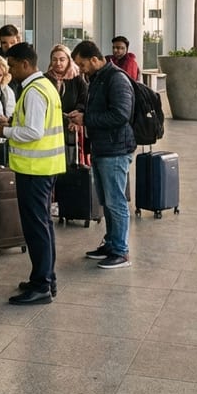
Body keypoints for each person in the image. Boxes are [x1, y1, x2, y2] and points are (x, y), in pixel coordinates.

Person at [0, 43, 65, 305]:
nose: (10, 71)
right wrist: (12, 124)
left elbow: (34, 132)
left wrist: (6, 132)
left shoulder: (34, 91)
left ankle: (42, 284)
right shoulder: (45, 86)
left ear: (25, 64)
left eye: (11, 66)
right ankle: (45, 278)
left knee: (37, 227)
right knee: (43, 225)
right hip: (43, 167)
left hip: (36, 169)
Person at [66, 41, 135, 270]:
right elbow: (100, 109)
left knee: (116, 201)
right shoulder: (97, 79)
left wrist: (87, 120)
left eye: (82, 64)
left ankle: (121, 251)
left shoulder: (117, 79)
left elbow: (120, 115)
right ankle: (111, 243)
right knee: (106, 200)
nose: (80, 69)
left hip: (115, 149)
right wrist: (83, 113)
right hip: (102, 147)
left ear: (94, 59)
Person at [43, 44, 88, 158]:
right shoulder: (45, 79)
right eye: (54, 59)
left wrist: (77, 114)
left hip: (72, 127)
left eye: (62, 59)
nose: (58, 63)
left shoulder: (77, 78)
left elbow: (84, 98)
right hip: (50, 126)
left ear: (69, 60)